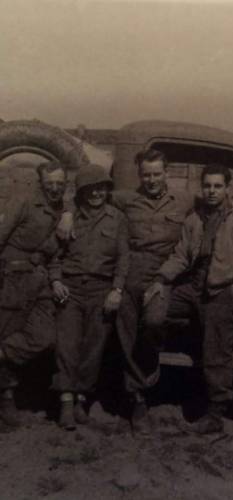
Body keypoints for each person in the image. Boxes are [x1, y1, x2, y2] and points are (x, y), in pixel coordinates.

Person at [109, 148, 233, 433]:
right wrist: (68, 213)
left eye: (156, 174)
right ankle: (137, 399)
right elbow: (92, 198)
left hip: (165, 273)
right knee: (128, 335)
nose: (151, 180)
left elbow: (215, 197)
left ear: (167, 173)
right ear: (139, 175)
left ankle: (153, 378)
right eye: (146, 175)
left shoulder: (185, 199)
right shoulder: (126, 199)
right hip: (132, 273)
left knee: (153, 321)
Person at [145, 163, 233, 434]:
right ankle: (151, 367)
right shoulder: (195, 218)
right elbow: (181, 255)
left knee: (216, 351)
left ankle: (216, 413)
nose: (212, 191)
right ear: (201, 188)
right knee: (152, 310)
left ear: (227, 189)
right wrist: (161, 279)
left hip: (223, 290)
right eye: (207, 186)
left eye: (217, 186)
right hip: (194, 287)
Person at [50, 164, 129, 430]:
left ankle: (81, 401)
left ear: (107, 190)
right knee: (67, 346)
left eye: (101, 188)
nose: (96, 194)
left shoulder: (117, 219)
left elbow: (123, 258)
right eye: (90, 189)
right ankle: (66, 403)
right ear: (81, 192)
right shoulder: (68, 218)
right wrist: (56, 280)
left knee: (93, 348)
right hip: (70, 289)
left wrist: (117, 290)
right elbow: (54, 255)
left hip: (101, 290)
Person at [0, 160, 68, 427]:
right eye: (50, 183)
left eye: (60, 183)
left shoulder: (62, 209)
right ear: (41, 183)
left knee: (44, 337)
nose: (55, 188)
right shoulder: (23, 201)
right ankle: (6, 399)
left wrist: (55, 279)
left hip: (40, 281)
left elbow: (56, 254)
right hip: (13, 278)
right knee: (8, 331)